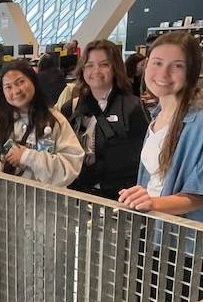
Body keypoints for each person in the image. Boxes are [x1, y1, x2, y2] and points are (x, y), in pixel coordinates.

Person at [117, 32, 203, 226]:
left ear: (191, 72)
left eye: (177, 66)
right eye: (157, 63)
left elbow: (198, 196)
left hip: (183, 244)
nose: (163, 74)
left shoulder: (202, 122)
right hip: (155, 231)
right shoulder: (157, 113)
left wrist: (152, 203)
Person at [0, 60, 83, 186]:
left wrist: (28, 157)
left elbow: (71, 164)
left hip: (44, 201)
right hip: (3, 198)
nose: (16, 91)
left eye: (20, 82)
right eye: (8, 87)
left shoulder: (55, 119)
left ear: (33, 81)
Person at [59, 40, 149, 199]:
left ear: (115, 68)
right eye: (89, 65)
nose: (96, 71)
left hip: (118, 198)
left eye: (104, 64)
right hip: (77, 194)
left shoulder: (133, 108)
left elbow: (138, 160)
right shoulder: (71, 108)